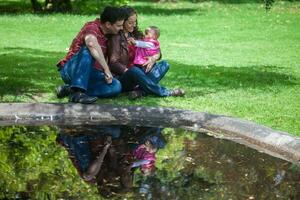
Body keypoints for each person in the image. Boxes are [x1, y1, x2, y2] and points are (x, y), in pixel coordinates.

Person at [108, 6, 185, 100]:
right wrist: (131, 72)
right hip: (125, 77)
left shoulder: (137, 34)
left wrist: (153, 58)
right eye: (130, 22)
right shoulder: (116, 38)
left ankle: (139, 91)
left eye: (135, 21)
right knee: (134, 70)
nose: (134, 25)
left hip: (141, 71)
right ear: (122, 21)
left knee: (164, 64)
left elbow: (155, 48)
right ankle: (166, 92)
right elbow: (113, 63)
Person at [55, 6, 125, 104]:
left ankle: (70, 90)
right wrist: (106, 69)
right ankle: (78, 93)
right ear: (108, 24)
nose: (121, 28)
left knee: (116, 86)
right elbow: (91, 44)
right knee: (87, 50)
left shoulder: (109, 35)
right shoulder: (92, 27)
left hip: (91, 72)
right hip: (71, 69)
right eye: (119, 25)